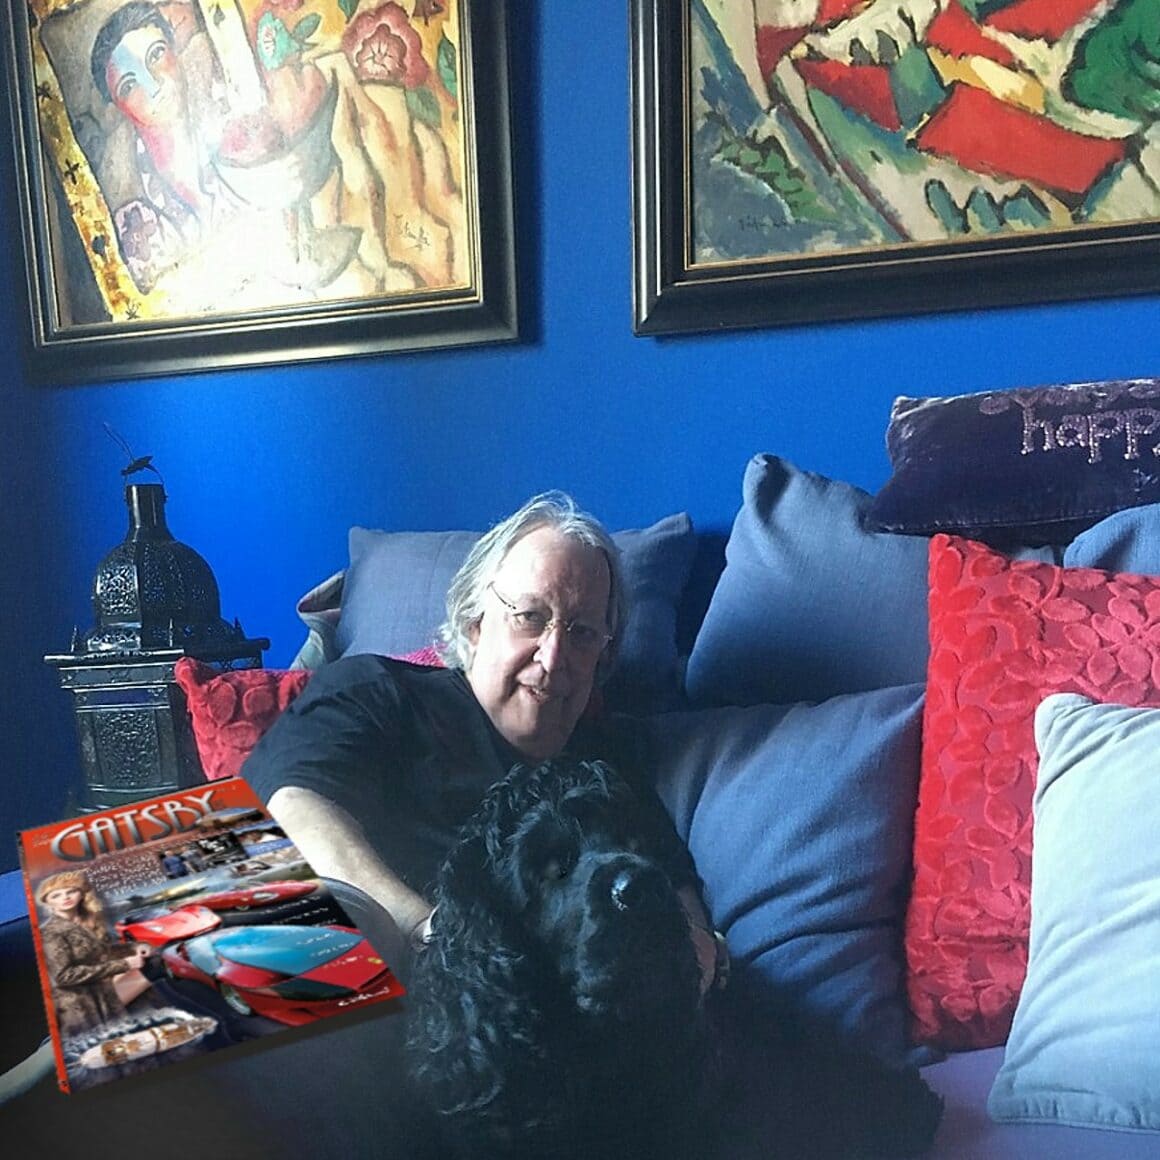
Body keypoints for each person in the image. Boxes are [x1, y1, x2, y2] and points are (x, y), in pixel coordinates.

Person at [242, 492, 719, 984]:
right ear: (474, 623)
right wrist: (430, 938)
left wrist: (696, 959)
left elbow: (680, 905)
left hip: (513, 1009)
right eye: (530, 617)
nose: (553, 657)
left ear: (604, 653)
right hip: (333, 963)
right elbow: (285, 809)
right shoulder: (374, 691)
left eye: (581, 633)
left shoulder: (609, 767)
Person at [36, 871, 152, 1041]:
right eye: (56, 895)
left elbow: (101, 952)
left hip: (104, 997)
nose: (65, 897)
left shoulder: (81, 923)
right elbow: (63, 976)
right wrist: (124, 964)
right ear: (47, 902)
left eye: (71, 891)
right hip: (81, 1007)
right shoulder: (50, 932)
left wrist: (135, 947)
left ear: (81, 894)